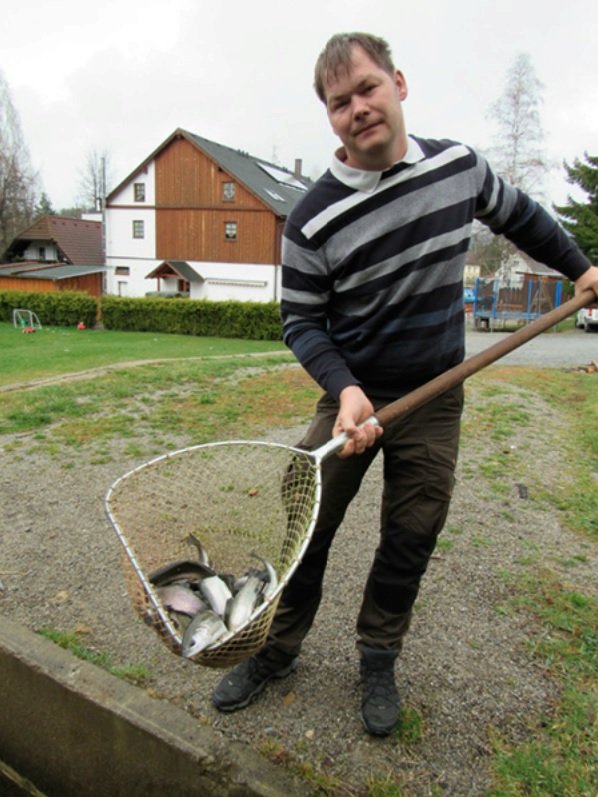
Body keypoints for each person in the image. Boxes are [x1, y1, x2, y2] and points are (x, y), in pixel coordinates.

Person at [213, 32, 598, 736]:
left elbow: (523, 217)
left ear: (399, 83)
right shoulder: (310, 219)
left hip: (436, 391)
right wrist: (345, 388)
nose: (357, 109)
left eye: (367, 89)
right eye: (339, 103)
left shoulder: (459, 167)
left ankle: (378, 654)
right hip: (351, 396)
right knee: (303, 524)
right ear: (328, 117)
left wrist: (579, 266)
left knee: (411, 532)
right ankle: (276, 648)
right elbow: (300, 320)